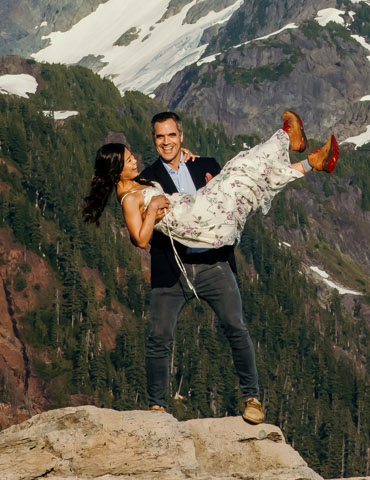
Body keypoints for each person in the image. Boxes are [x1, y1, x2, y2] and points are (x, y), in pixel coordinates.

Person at [79, 109, 339, 425]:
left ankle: (252, 398)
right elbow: (139, 237)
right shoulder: (143, 180)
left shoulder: (197, 165)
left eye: (171, 135)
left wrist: (169, 192)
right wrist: (155, 209)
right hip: (175, 267)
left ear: (181, 137)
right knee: (159, 337)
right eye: (159, 137)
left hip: (212, 254)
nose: (166, 142)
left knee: (244, 182)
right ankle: (157, 407)